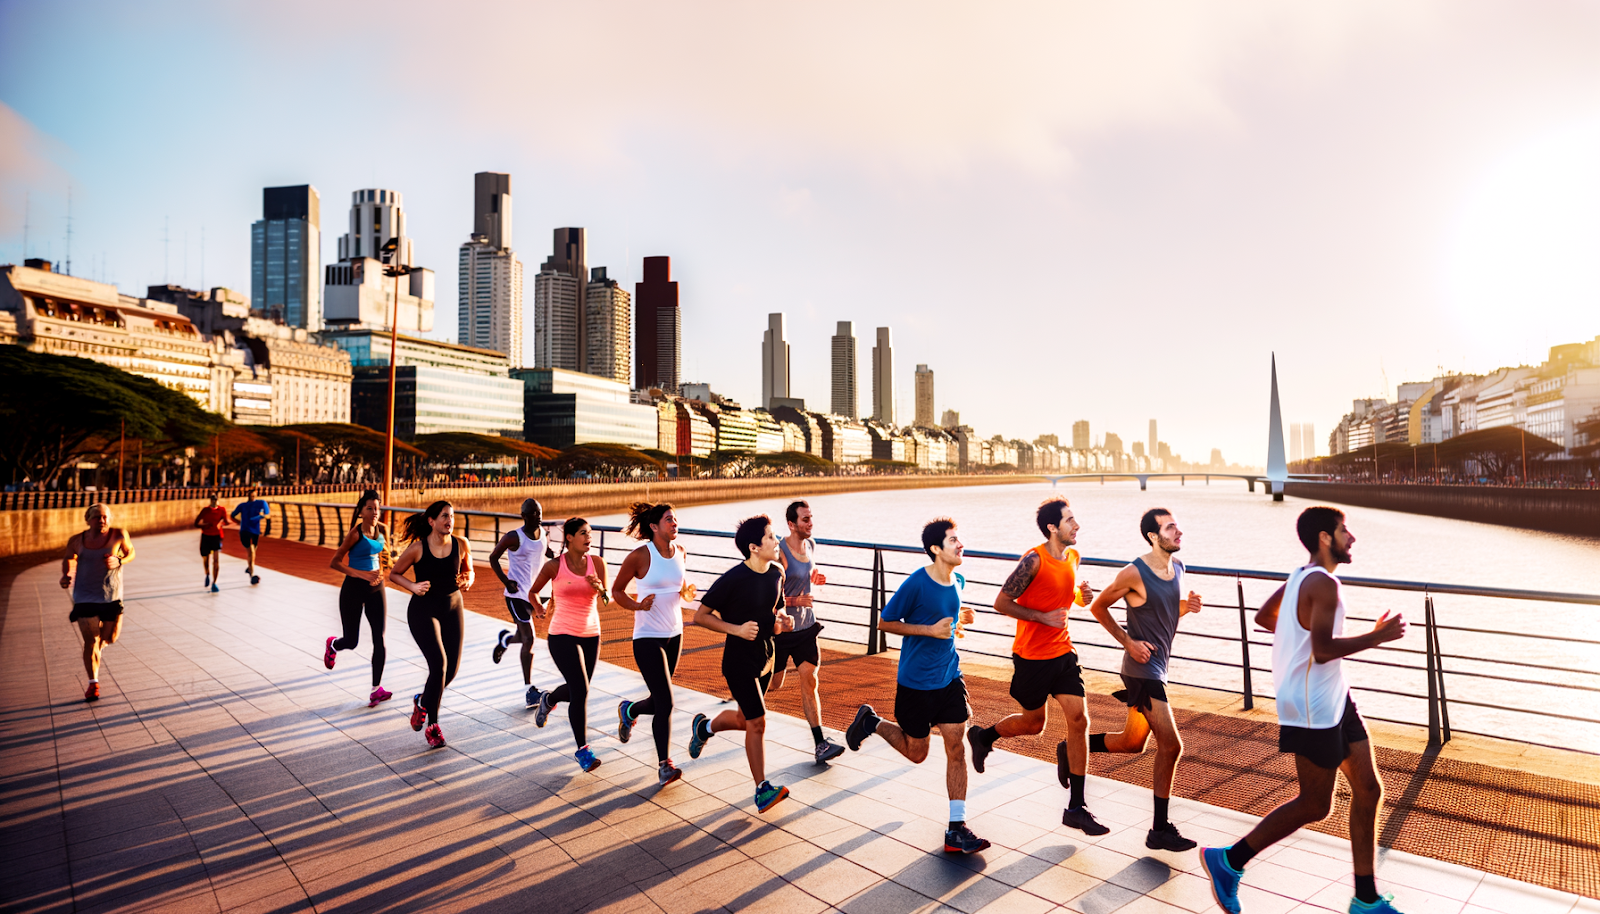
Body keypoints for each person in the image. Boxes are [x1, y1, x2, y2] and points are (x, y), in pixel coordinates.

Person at [1202, 508, 1406, 914]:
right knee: (1316, 804)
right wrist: (1377, 636)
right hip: (1312, 707)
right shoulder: (1324, 584)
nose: (1352, 537)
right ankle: (1229, 860)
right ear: (1325, 538)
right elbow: (1324, 649)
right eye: (1345, 530)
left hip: (1334, 697)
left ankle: (1365, 899)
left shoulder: (1300, 576)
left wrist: (1295, 640)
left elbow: (1265, 617)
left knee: (1368, 788)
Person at [845, 517, 990, 855]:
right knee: (918, 753)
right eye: (953, 540)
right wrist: (929, 631)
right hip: (914, 684)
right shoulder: (916, 583)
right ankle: (871, 722)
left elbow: (948, 615)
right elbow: (885, 622)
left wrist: (960, 618)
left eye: (959, 538)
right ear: (936, 549)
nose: (960, 544)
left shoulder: (958, 579)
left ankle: (957, 828)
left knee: (956, 746)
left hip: (949, 679)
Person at [967, 496, 1104, 835]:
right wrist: (1040, 617)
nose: (1077, 525)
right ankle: (984, 736)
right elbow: (1001, 602)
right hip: (1031, 658)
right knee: (1034, 724)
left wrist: (1080, 597)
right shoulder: (1033, 561)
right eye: (1070, 520)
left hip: (1063, 653)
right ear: (1052, 528)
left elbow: (1065, 593)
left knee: (1079, 719)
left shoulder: (1073, 556)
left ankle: (1078, 806)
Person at [1083, 508, 1204, 853]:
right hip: (1140, 670)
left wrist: (1188, 607)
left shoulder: (1178, 567)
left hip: (1159, 667)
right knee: (1172, 745)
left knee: (1132, 742)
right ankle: (1159, 829)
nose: (1178, 532)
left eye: (1177, 525)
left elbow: (1166, 610)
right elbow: (1099, 607)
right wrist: (1129, 642)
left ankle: (1072, 749)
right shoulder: (1133, 572)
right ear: (1153, 536)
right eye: (1170, 528)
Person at [687, 515, 796, 813]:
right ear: (753, 547)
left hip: (766, 656)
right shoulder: (732, 579)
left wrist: (782, 622)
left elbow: (775, 611)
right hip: (738, 661)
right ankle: (762, 789)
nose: (777, 541)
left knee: (743, 720)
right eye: (771, 537)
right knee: (757, 722)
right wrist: (735, 629)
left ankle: (704, 727)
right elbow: (701, 615)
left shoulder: (777, 572)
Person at [611, 502, 693, 786]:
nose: (674, 524)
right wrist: (637, 605)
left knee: (660, 701)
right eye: (669, 520)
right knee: (666, 702)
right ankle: (664, 765)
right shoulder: (639, 556)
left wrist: (685, 592)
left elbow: (676, 585)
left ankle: (629, 711)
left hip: (675, 634)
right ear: (654, 527)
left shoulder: (681, 552)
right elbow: (617, 591)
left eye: (675, 519)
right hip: (647, 638)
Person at [525, 517, 608, 772]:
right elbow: (533, 591)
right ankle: (583, 751)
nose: (589, 538)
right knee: (580, 690)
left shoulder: (597, 563)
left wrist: (601, 588)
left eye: (590, 533)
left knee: (577, 691)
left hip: (591, 634)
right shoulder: (554, 566)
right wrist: (538, 607)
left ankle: (548, 699)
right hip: (561, 635)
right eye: (583, 533)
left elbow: (606, 599)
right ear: (569, 537)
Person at [388, 501, 473, 749]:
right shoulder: (418, 549)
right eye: (445, 516)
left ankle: (423, 701)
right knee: (439, 665)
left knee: (451, 670)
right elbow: (394, 573)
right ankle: (433, 727)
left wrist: (469, 578)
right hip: (423, 610)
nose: (450, 520)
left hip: (453, 607)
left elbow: (469, 570)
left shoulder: (461, 544)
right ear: (431, 521)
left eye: (452, 516)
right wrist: (413, 586)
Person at [769, 500, 846, 764]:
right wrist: (793, 601)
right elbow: (769, 594)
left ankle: (819, 743)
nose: (810, 523)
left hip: (806, 628)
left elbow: (807, 571)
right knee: (773, 684)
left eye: (810, 518)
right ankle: (739, 701)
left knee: (809, 679)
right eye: (804, 519)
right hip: (782, 630)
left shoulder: (810, 545)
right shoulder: (779, 551)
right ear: (791, 524)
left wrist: (815, 577)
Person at [324, 490, 393, 708]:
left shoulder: (383, 530)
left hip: (376, 588)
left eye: (377, 508)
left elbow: (382, 556)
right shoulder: (355, 534)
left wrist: (382, 570)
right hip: (353, 588)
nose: (374, 513)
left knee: (379, 639)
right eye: (369, 508)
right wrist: (362, 574)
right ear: (361, 511)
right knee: (351, 641)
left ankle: (376, 689)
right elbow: (335, 562)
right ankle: (333, 644)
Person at [60, 504, 135, 702]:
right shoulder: (77, 540)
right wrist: (66, 575)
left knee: (109, 638)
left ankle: (97, 650)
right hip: (85, 597)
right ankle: (93, 683)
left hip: (111, 596)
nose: (101, 520)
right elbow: (69, 557)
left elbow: (131, 553)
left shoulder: (119, 534)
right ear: (88, 519)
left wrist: (119, 560)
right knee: (90, 640)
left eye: (104, 517)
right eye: (96, 517)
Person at [488, 498, 555, 708]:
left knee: (523, 635)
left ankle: (506, 639)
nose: (538, 515)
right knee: (530, 638)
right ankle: (529, 690)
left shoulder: (543, 533)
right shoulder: (513, 537)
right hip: (516, 595)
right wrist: (506, 581)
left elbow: (544, 552)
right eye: (534, 513)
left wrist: (557, 560)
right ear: (524, 516)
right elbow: (493, 557)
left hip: (534, 594)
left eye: (540, 511)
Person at [230, 485, 270, 585]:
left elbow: (268, 514)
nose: (251, 497)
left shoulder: (261, 503)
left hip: (255, 531)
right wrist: (239, 522)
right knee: (251, 552)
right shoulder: (243, 505)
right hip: (245, 531)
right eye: (250, 496)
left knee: (253, 553)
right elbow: (232, 515)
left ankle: (250, 567)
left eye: (253, 495)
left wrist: (261, 517)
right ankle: (252, 576)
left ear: (256, 495)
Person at [194, 492, 227, 592]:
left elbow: (226, 521)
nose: (214, 501)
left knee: (216, 560)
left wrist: (220, 523)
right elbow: (196, 523)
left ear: (218, 500)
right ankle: (207, 573)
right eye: (212, 499)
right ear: (210, 500)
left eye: (215, 499)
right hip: (206, 536)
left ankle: (215, 582)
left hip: (216, 536)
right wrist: (205, 525)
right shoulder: (205, 510)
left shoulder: (222, 510)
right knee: (206, 559)